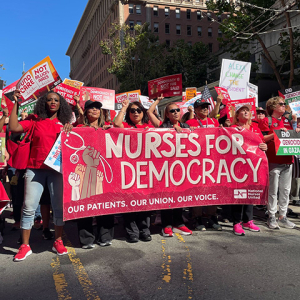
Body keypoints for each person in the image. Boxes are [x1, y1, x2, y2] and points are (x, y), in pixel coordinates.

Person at [10, 90, 73, 261]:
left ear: (61, 105)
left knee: (58, 208)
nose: (53, 102)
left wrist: (71, 129)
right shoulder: (34, 120)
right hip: (34, 169)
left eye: (56, 100)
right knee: (29, 207)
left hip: (57, 171)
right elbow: (13, 127)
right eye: (49, 99)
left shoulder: (65, 124)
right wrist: (16, 104)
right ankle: (25, 245)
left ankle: (58, 241)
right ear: (43, 103)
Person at [148, 96, 192, 237]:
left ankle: (178, 224)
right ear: (167, 114)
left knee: (179, 197)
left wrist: (184, 130)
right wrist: (158, 101)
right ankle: (166, 225)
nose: (175, 112)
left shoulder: (186, 127)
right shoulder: (162, 127)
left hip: (181, 168)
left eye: (177, 110)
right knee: (167, 197)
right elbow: (149, 112)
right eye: (172, 111)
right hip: (165, 169)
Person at [75, 100, 114, 248]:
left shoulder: (108, 129)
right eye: (91, 108)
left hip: (105, 171)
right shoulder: (78, 128)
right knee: (85, 203)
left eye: (97, 108)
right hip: (85, 171)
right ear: (85, 112)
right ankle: (86, 239)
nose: (94, 110)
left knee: (106, 203)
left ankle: (105, 236)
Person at [114, 99, 153, 242]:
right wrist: (124, 107)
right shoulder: (125, 126)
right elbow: (116, 124)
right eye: (133, 110)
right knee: (130, 202)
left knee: (144, 202)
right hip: (129, 171)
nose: (136, 112)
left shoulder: (148, 127)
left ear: (143, 113)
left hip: (146, 171)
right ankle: (132, 232)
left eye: (138, 110)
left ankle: (144, 230)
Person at [260, 97, 300, 229]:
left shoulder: (287, 121)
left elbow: (292, 138)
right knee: (272, 190)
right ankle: (271, 216)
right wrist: (275, 134)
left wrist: (296, 133)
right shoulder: (267, 120)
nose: (284, 106)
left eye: (284, 104)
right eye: (281, 104)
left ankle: (283, 216)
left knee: (285, 190)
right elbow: (262, 139)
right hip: (273, 160)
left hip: (288, 160)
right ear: (273, 107)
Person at [185, 98, 222, 231]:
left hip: (213, 162)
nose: (205, 109)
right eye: (201, 107)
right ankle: (197, 217)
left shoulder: (214, 122)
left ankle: (212, 217)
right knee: (198, 191)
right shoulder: (190, 122)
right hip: (197, 163)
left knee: (213, 190)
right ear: (195, 110)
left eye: (206, 107)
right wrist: (189, 131)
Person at [231, 104, 267, 235]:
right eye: (242, 111)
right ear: (237, 115)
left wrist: (264, 147)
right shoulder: (233, 129)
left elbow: (261, 144)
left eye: (247, 110)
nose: (246, 112)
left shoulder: (255, 128)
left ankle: (248, 220)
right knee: (239, 194)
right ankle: (236, 222)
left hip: (253, 166)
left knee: (250, 192)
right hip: (238, 166)